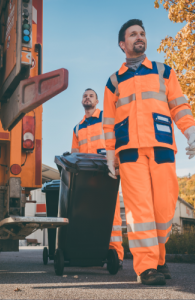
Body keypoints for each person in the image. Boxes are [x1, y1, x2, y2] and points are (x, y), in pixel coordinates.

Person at [103, 19, 195, 285]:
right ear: (122, 44)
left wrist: (191, 131)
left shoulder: (164, 72)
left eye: (142, 33)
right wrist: (110, 155)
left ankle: (159, 258)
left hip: (161, 149)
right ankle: (146, 268)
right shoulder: (113, 82)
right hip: (130, 153)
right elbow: (108, 123)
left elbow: (179, 106)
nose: (140, 37)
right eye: (133, 34)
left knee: (164, 209)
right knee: (139, 211)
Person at [71, 88, 124, 268]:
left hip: (106, 170)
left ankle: (115, 254)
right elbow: (74, 154)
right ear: (81, 101)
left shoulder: (106, 119)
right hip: (86, 176)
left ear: (97, 101)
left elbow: (117, 139)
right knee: (88, 214)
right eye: (84, 95)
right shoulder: (77, 127)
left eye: (91, 96)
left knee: (112, 213)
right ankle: (91, 252)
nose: (87, 98)